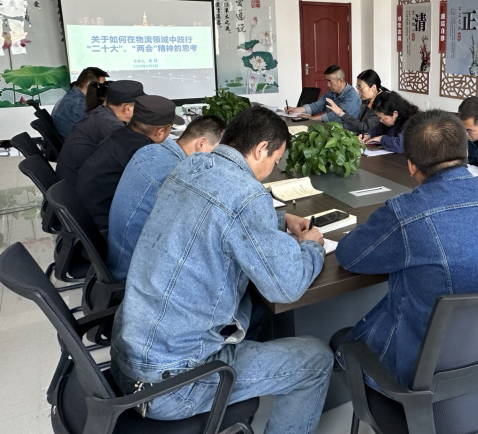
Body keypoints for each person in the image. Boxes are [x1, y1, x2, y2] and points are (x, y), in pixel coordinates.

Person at [111, 106, 332, 434]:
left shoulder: (190, 166)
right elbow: (286, 287)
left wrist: (278, 219)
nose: (272, 169)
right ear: (261, 149)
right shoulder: (247, 195)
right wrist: (311, 246)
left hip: (129, 358)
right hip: (173, 385)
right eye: (275, 160)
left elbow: (209, 215)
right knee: (316, 359)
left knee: (253, 309)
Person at [333, 110, 478, 387]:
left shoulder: (406, 213)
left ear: (411, 166)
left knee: (343, 340)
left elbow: (350, 256)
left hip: (425, 377)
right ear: (465, 153)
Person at [106, 115, 226, 282]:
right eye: (218, 153)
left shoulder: (150, 150)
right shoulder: (177, 174)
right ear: (201, 143)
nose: (218, 161)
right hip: (135, 273)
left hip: (119, 254)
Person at [76, 95, 183, 233]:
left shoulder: (121, 133)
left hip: (87, 213)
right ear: (160, 132)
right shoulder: (144, 154)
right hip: (105, 227)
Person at [56, 80, 145, 187]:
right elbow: (137, 158)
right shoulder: (112, 126)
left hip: (71, 178)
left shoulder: (102, 113)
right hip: (76, 186)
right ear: (127, 108)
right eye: (140, 107)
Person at [285, 64, 360, 124]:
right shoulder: (332, 92)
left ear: (340, 80)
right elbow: (317, 106)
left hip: (346, 132)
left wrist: (313, 118)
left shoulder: (352, 96)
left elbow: (337, 116)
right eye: (327, 81)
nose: (328, 85)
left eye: (330, 81)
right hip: (331, 127)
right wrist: (295, 110)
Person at [51, 66, 109, 139]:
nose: (103, 89)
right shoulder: (79, 104)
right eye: (101, 85)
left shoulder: (73, 96)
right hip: (76, 142)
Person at [326, 69, 386, 134]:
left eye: (360, 87)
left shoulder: (382, 104)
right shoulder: (367, 101)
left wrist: (341, 113)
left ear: (373, 87)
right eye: (357, 87)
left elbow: (365, 128)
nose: (358, 91)